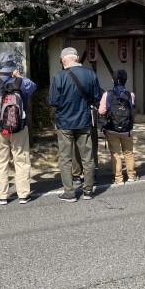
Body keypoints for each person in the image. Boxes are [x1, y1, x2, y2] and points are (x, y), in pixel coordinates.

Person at [0, 52, 37, 205]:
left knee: (1, 160)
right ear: (13, 66)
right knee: (21, 158)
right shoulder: (21, 83)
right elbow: (33, 87)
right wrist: (19, 76)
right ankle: (23, 194)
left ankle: (2, 195)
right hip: (20, 126)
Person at [48, 47, 102, 202]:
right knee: (88, 157)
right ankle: (88, 191)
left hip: (64, 122)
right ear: (77, 58)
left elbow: (52, 101)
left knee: (65, 158)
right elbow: (96, 97)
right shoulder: (91, 74)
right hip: (84, 120)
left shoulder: (59, 77)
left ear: (64, 59)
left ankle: (70, 192)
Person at [99, 69, 136, 185]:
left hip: (111, 129)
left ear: (112, 80)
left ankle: (118, 178)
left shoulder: (107, 94)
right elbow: (131, 108)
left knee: (115, 153)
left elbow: (101, 111)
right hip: (127, 130)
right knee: (129, 153)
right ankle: (131, 176)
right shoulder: (130, 94)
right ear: (127, 80)